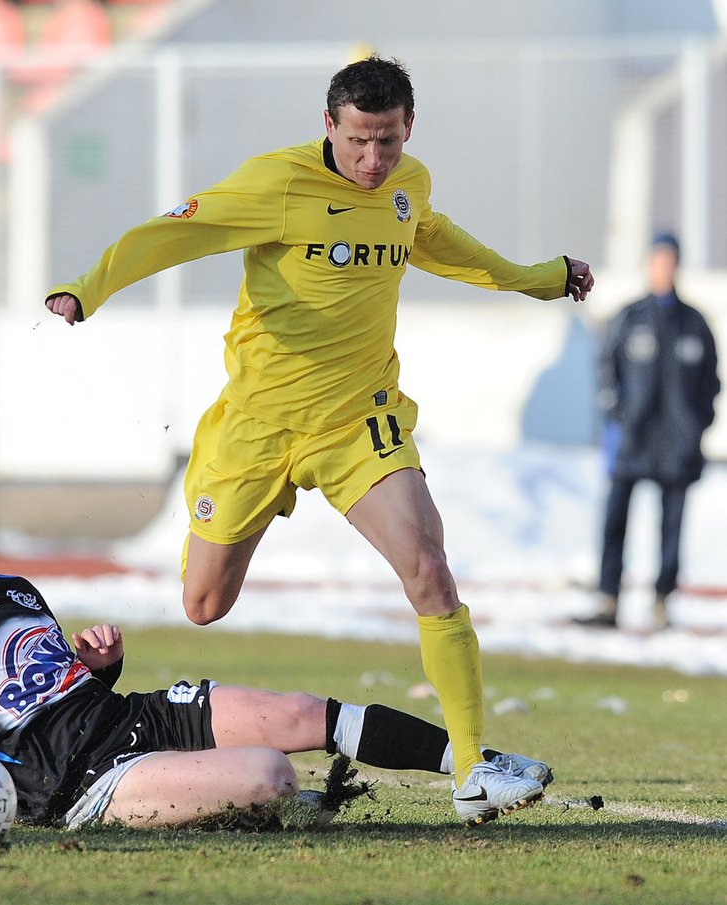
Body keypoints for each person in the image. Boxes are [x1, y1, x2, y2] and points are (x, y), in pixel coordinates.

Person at [44, 55, 592, 822]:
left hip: (357, 423)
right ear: (328, 125)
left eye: (390, 143)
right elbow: (173, 235)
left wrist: (542, 277)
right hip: (256, 428)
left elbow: (445, 245)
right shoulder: (279, 185)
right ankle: (248, 514)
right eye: (360, 141)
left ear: (408, 131)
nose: (374, 162)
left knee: (430, 569)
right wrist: (88, 287)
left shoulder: (410, 186)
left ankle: (473, 768)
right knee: (203, 604)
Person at [0, 458, 552, 831]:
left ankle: (473, 766)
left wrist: (102, 669)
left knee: (300, 712)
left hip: (128, 719)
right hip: (76, 781)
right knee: (272, 775)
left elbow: (70, 692)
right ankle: (242, 804)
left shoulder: (13, 591)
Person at [576, 233, 719, 630]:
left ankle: (662, 601)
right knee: (615, 520)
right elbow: (608, 372)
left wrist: (698, 423)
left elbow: (711, 381)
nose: (663, 268)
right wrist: (617, 416)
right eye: (657, 260)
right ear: (649, 264)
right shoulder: (630, 317)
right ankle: (608, 599)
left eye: (670, 260)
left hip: (678, 445)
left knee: (671, 526)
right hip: (633, 440)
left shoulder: (695, 322)